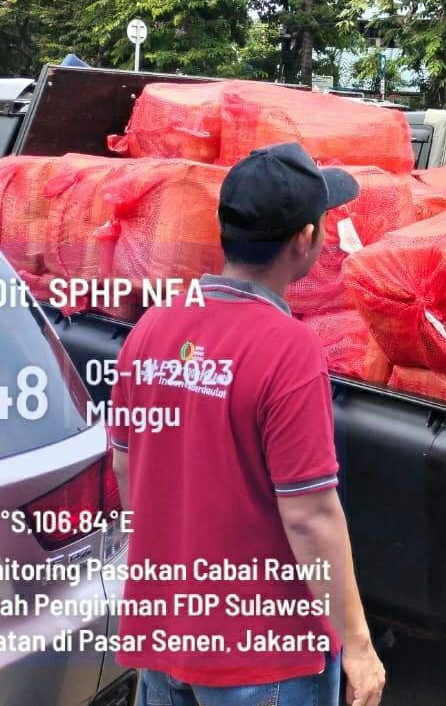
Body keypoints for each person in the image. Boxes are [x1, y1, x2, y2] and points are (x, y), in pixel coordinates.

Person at [109, 143, 386, 706]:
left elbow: (125, 465)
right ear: (303, 240)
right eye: (324, 223)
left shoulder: (153, 326)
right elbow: (310, 514)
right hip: (263, 658)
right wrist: (358, 645)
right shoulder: (289, 350)